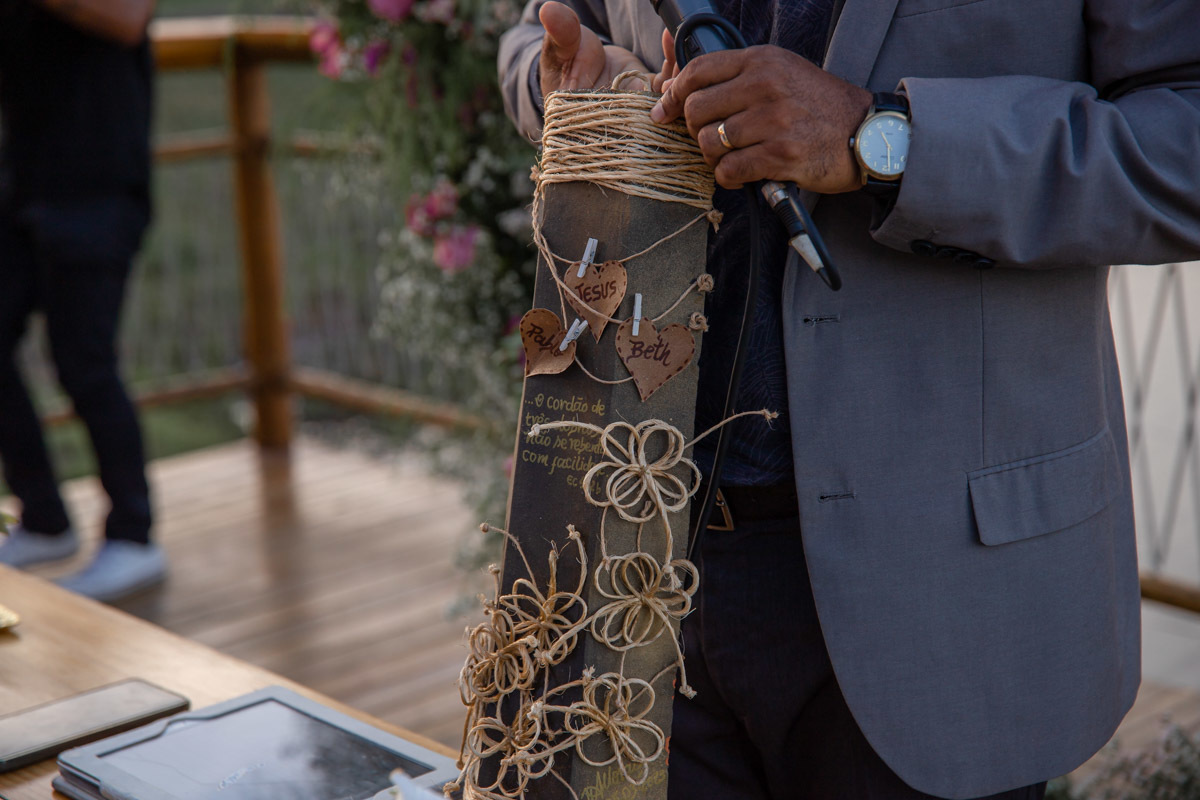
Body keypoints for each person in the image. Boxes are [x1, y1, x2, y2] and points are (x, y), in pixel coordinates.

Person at [499, 1, 1200, 798]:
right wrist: (574, 91)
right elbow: (532, 40)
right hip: (625, 547)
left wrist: (881, 138)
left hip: (939, 590)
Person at [0, 0, 165, 602]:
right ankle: (44, 517)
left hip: (98, 180)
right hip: (24, 178)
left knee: (84, 362)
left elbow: (129, 16)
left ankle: (134, 536)